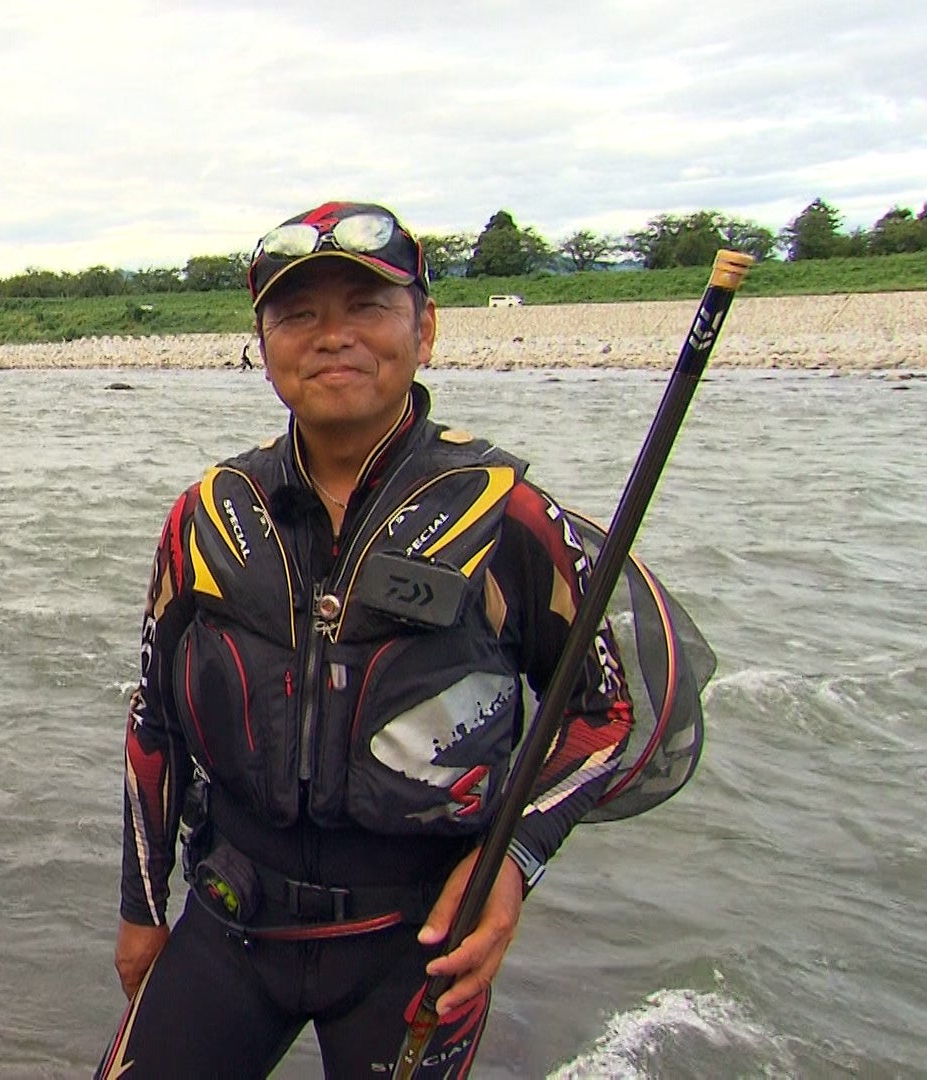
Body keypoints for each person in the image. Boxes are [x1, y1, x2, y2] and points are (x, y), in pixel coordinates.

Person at [98, 202, 633, 1078]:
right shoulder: (205, 519)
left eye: (368, 307)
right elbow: (154, 722)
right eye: (298, 314)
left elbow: (607, 714)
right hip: (232, 915)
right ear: (262, 345)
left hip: (420, 942)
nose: (332, 337)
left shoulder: (509, 516)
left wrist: (514, 859)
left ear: (425, 330)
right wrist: (142, 907)